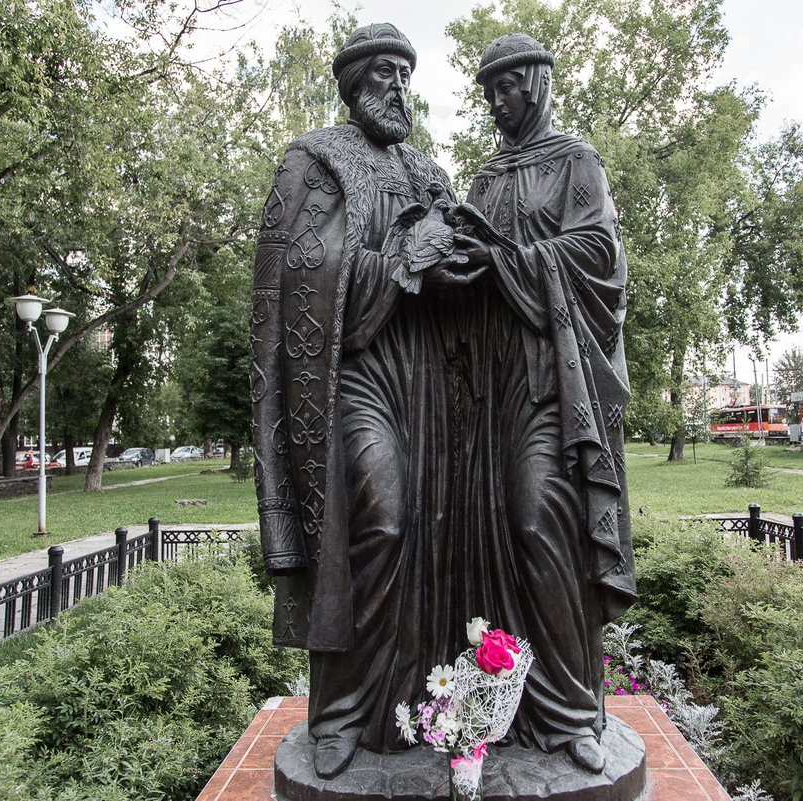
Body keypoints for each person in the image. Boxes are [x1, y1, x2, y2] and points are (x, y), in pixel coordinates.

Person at [249, 23, 483, 779]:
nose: (400, 88)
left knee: (433, 529)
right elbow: (301, 283)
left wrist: (455, 258)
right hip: (354, 375)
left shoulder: (428, 170)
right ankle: (343, 711)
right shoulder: (312, 164)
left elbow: (460, 252)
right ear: (353, 85)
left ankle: (425, 703)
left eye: (407, 75)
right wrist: (402, 260)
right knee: (377, 520)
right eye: (385, 74)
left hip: (431, 380)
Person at [448, 33, 637, 774]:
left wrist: (506, 256)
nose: (497, 104)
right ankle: (498, 699)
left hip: (550, 382)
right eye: (487, 92)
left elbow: (598, 255)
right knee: (483, 531)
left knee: (536, 520)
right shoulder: (487, 175)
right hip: (486, 383)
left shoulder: (575, 163)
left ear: (538, 83)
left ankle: (569, 712)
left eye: (507, 87)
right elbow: (473, 253)